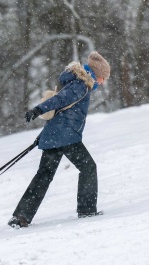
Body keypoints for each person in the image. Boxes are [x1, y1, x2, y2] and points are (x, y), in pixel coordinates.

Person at [8, 51, 110, 228]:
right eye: (103, 78)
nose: (102, 82)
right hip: (67, 136)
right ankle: (86, 210)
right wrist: (39, 109)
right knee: (88, 167)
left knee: (44, 175)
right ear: (97, 74)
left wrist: (44, 135)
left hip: (56, 135)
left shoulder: (77, 83)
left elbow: (60, 110)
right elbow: (60, 100)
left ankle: (21, 217)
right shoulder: (81, 85)